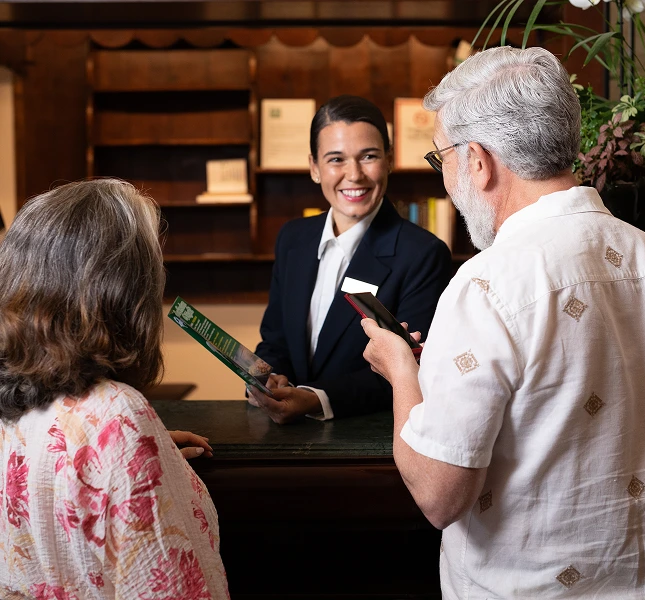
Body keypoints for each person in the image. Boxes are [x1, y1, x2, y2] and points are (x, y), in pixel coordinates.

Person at [361, 46, 645, 598]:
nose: (447, 183)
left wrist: (401, 373)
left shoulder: (486, 284)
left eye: (443, 161)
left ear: (477, 160)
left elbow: (438, 494)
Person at [0, 179, 229, 599]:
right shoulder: (116, 415)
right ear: (123, 287)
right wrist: (124, 441)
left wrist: (142, 455)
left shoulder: (16, 400)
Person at [249, 95, 452, 424]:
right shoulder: (292, 239)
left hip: (370, 442)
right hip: (285, 436)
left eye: (368, 156)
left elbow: (411, 369)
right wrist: (268, 380)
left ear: (389, 160)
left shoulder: (424, 254)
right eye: (336, 159)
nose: (354, 175)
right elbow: (275, 339)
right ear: (314, 168)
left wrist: (316, 399)